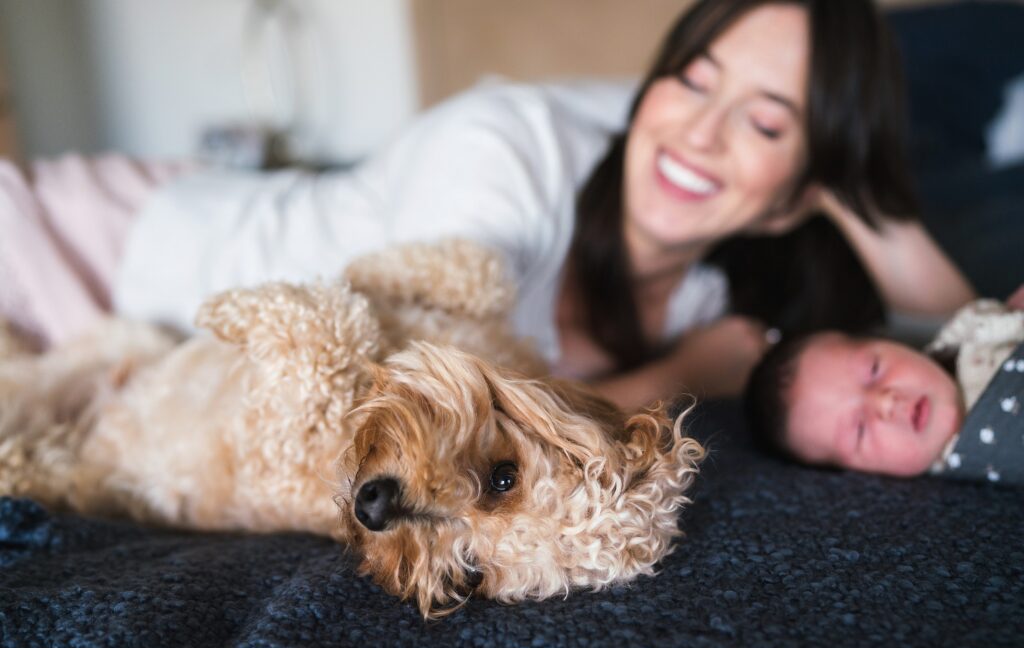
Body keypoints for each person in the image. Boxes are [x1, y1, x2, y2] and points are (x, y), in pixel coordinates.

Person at [0, 0, 974, 410]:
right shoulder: (506, 149)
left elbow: (950, 329)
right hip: (109, 243)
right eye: (692, 79)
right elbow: (448, 413)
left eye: (762, 124)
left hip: (140, 353)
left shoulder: (708, 292)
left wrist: (849, 189)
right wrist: (676, 375)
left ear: (796, 198)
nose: (697, 134)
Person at [744, 286, 1024, 483]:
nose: (885, 401)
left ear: (891, 341)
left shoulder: (978, 331)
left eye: (874, 370)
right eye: (859, 430)